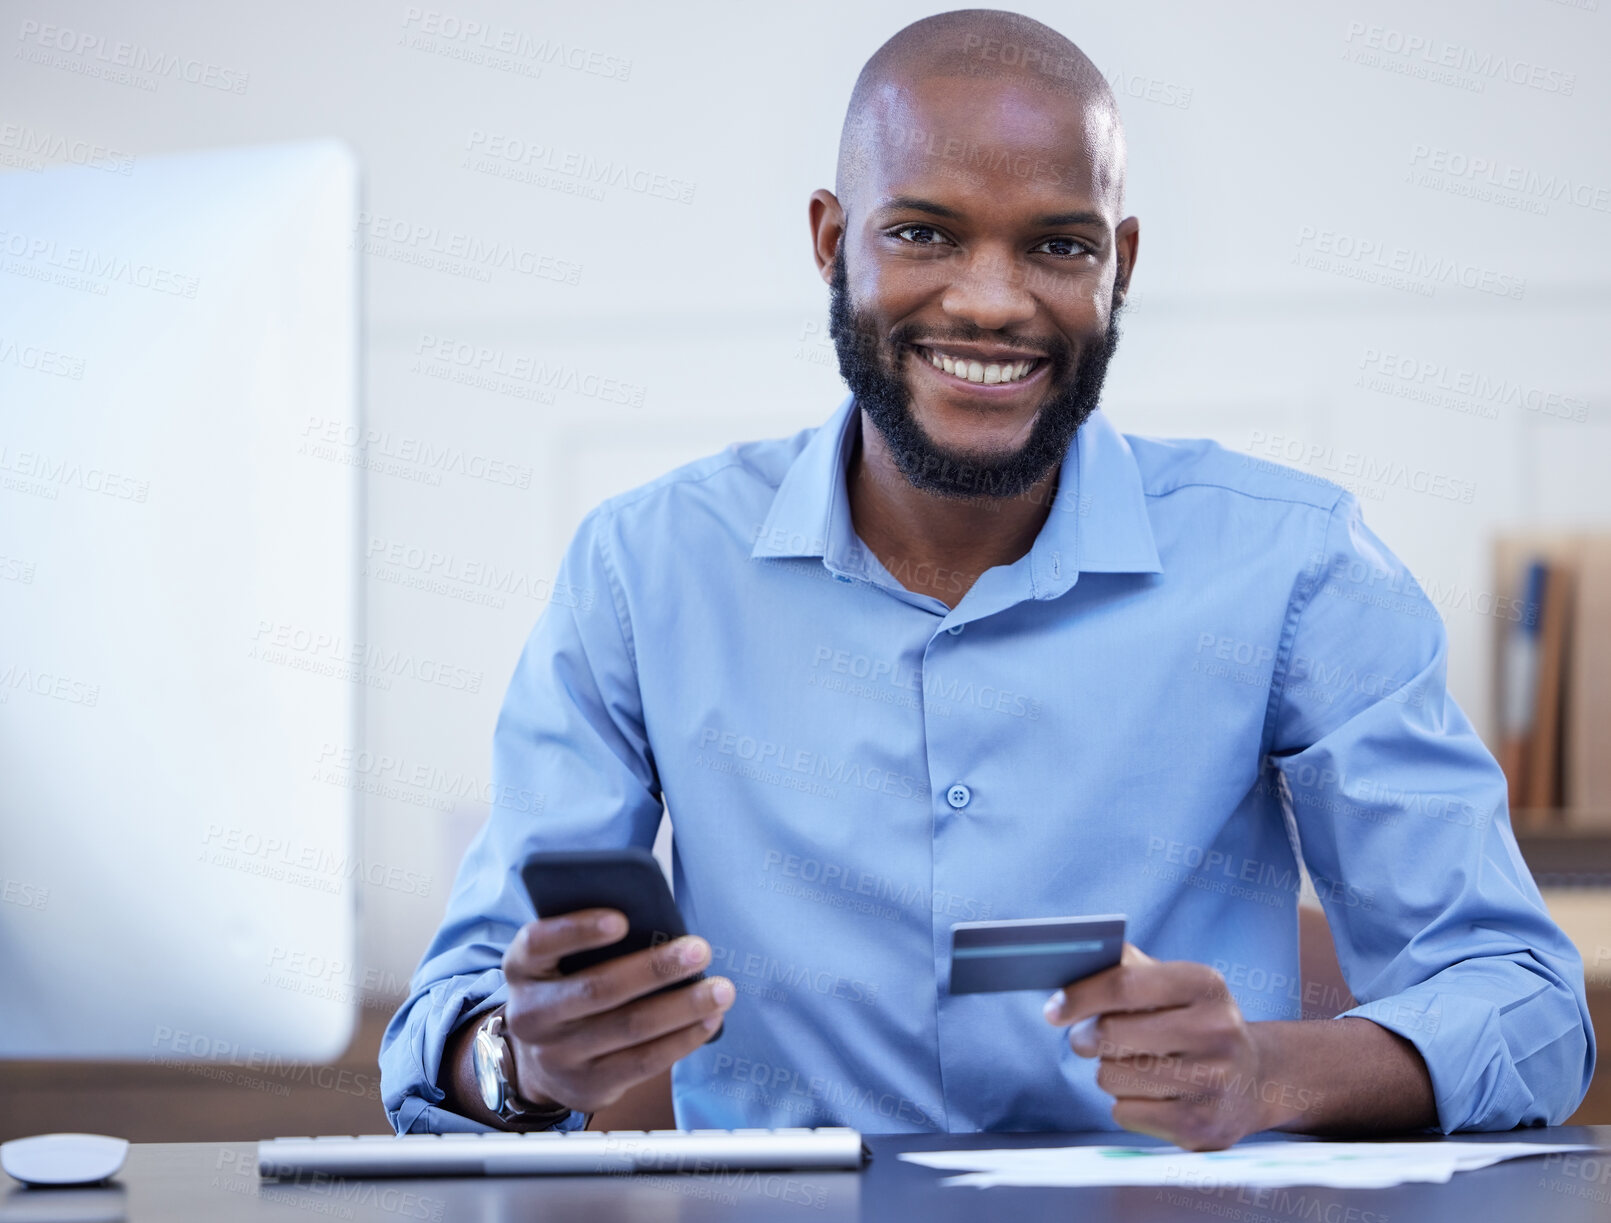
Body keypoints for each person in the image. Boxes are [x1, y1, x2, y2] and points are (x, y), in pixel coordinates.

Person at [380, 9, 1593, 1151]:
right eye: (924, 232)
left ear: (1118, 264)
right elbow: (452, 1022)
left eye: (1057, 245)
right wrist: (523, 1062)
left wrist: (1268, 1075)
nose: (993, 300)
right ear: (829, 240)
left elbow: (1531, 1007)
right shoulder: (646, 571)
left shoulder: (1295, 566)